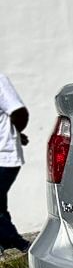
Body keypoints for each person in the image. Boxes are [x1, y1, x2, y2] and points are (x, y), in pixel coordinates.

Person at [0, 71, 31, 254]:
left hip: (4, 157)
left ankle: (18, 243)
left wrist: (16, 134)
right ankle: (9, 244)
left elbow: (19, 112)